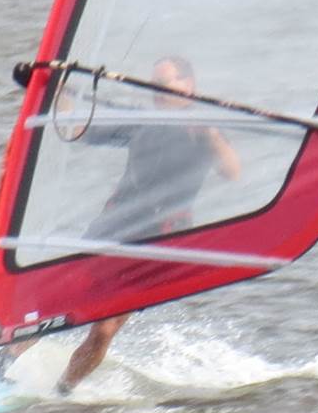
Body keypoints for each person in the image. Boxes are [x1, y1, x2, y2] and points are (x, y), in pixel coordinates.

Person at [55, 55, 240, 393]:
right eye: (153, 86)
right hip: (113, 230)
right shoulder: (143, 120)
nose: (156, 93)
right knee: (59, 305)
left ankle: (61, 391)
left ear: (189, 85)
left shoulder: (204, 127)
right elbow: (74, 128)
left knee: (104, 330)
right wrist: (59, 90)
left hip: (157, 243)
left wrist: (212, 132)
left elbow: (232, 171)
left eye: (164, 85)